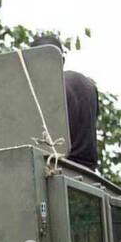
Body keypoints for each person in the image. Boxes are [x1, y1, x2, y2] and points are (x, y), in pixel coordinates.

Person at [30, 34, 99, 172]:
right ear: (61, 60)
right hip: (88, 171)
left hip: (61, 167)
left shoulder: (49, 89)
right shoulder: (89, 86)